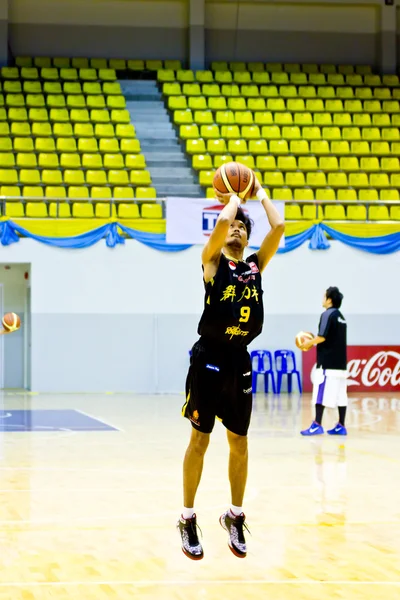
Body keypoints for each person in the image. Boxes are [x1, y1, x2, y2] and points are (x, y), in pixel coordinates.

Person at [177, 176, 285, 560]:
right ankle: (187, 517)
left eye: (243, 225)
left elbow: (280, 227)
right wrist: (234, 198)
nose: (236, 228)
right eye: (233, 224)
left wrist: (260, 194)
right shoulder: (212, 261)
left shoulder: (254, 267)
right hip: (208, 358)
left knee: (239, 442)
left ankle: (235, 515)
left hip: (239, 359)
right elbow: (221, 224)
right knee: (200, 440)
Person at [300, 287, 348, 437]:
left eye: (324, 296)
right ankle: (341, 426)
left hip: (327, 364)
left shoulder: (327, 314)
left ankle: (317, 425)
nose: (322, 299)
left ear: (329, 299)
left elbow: (322, 337)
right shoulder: (341, 317)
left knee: (319, 394)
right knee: (341, 396)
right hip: (341, 366)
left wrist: (307, 343)